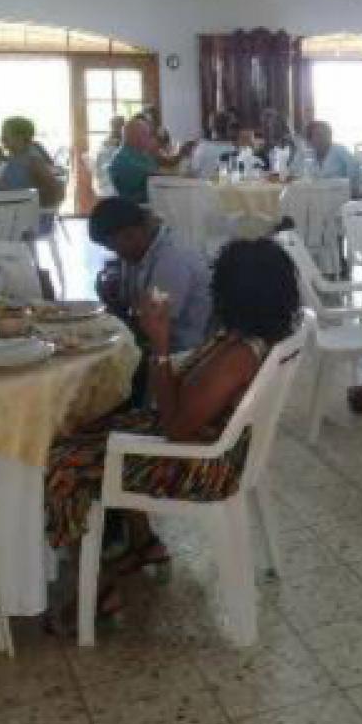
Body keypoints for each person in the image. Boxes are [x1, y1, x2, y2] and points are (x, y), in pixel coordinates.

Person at [43, 237, 301, 628]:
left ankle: (95, 592)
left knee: (63, 461)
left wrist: (160, 345)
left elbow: (176, 427)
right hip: (219, 447)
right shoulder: (257, 336)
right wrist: (163, 352)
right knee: (96, 426)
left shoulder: (237, 356)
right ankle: (144, 542)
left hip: (202, 466)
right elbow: (181, 399)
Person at [89, 196, 212, 354]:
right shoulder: (138, 250)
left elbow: (153, 325)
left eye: (113, 246)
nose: (116, 253)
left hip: (183, 353)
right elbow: (131, 308)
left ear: (131, 234)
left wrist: (114, 306)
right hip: (152, 343)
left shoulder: (172, 260)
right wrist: (112, 295)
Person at [0, 116, 65, 234]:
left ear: (20, 137)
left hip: (29, 219)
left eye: (6, 135)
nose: (2, 138)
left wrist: (35, 204)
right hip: (16, 211)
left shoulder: (32, 159)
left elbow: (55, 189)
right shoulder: (18, 155)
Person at [293, 121, 360, 195]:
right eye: (318, 135)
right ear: (310, 138)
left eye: (326, 134)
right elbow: (294, 173)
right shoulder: (305, 154)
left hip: (339, 193)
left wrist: (351, 190)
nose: (323, 137)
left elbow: (355, 170)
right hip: (314, 193)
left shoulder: (339, 150)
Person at [108, 119, 159, 205]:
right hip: (133, 206)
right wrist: (153, 153)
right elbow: (153, 173)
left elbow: (154, 169)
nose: (150, 139)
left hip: (144, 202)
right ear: (135, 137)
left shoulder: (137, 153)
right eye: (146, 135)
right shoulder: (124, 158)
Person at [93, 115, 125, 198]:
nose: (119, 129)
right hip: (109, 186)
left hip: (106, 185)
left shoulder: (108, 142)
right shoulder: (107, 145)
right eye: (117, 126)